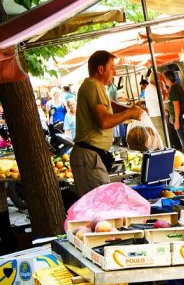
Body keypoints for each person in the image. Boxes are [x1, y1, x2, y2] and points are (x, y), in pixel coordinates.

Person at [71, 51, 143, 196]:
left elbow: (108, 105)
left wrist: (131, 110)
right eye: (112, 67)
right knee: (100, 204)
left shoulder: (95, 86)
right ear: (101, 69)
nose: (114, 72)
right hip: (89, 156)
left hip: (91, 156)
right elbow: (103, 121)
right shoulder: (93, 85)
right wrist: (129, 113)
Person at [164, 70, 184, 149]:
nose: (164, 81)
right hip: (183, 116)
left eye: (164, 79)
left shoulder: (173, 89)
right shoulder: (177, 86)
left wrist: (176, 121)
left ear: (167, 79)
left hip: (179, 118)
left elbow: (176, 106)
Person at [143, 71, 167, 143]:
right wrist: (163, 85)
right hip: (156, 115)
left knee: (162, 135)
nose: (161, 81)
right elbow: (162, 98)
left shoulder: (153, 87)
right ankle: (165, 151)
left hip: (156, 115)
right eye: (160, 79)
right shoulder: (152, 88)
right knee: (162, 136)